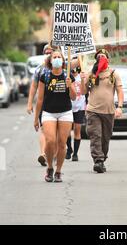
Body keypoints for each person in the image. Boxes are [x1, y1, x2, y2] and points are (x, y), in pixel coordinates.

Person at [34, 50, 76, 183]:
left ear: (63, 61)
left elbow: (74, 97)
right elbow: (40, 99)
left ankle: (58, 171)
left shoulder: (67, 75)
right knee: (51, 141)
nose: (57, 59)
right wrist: (36, 118)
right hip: (48, 112)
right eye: (54, 57)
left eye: (59, 57)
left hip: (65, 112)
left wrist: (70, 86)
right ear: (50, 60)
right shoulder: (44, 75)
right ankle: (50, 168)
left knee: (62, 143)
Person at [81, 48, 124, 173]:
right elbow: (84, 92)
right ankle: (98, 160)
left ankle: (102, 158)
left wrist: (120, 107)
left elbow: (120, 91)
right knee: (96, 135)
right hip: (93, 110)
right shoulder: (91, 74)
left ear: (108, 59)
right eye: (98, 57)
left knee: (105, 137)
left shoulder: (113, 74)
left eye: (103, 57)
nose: (101, 59)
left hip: (109, 111)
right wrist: (84, 80)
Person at [27, 43, 53, 166]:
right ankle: (43, 153)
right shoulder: (39, 69)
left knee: (55, 133)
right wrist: (29, 104)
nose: (48, 54)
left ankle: (51, 152)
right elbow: (33, 87)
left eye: (50, 52)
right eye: (46, 53)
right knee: (43, 129)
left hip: (59, 104)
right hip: (43, 103)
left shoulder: (62, 67)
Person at [66, 64, 86, 161]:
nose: (73, 70)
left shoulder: (82, 76)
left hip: (80, 106)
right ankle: (69, 149)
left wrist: (82, 79)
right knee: (67, 131)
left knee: (77, 129)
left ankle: (75, 154)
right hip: (68, 106)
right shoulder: (67, 77)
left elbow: (84, 92)